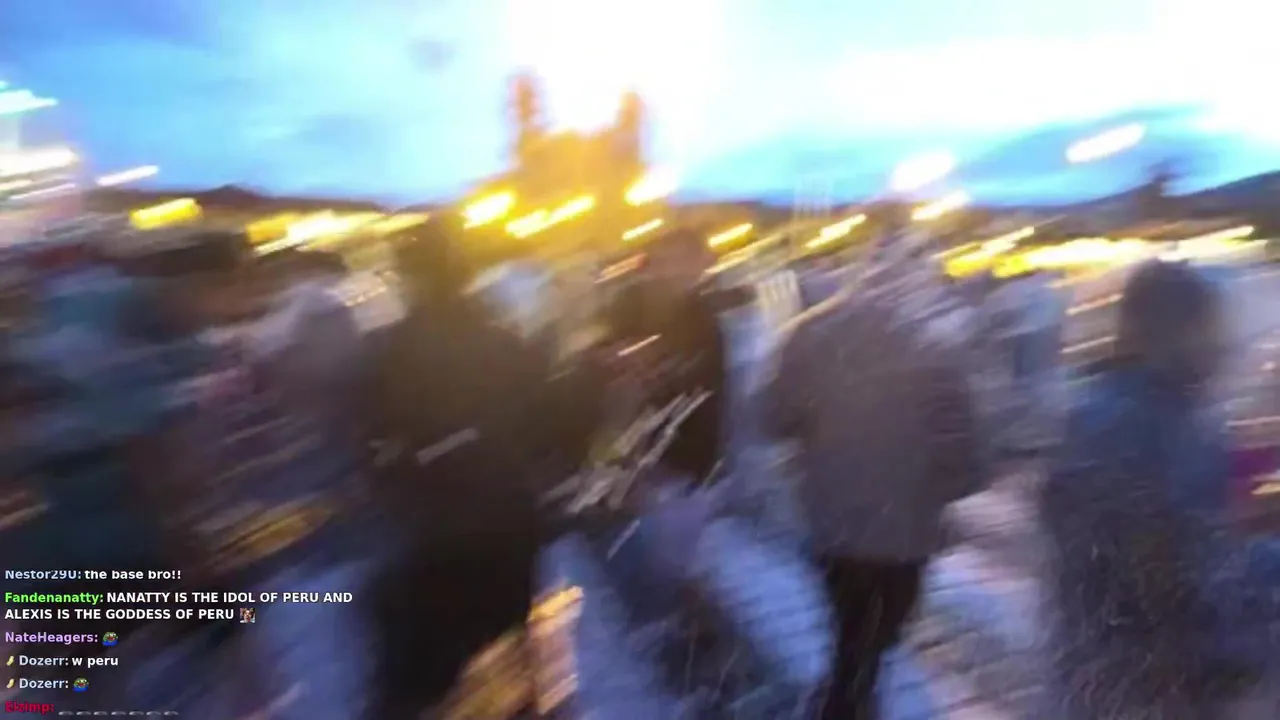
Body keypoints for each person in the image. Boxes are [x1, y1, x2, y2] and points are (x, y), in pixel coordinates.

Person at [1039, 260, 1280, 719]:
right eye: (1211, 328)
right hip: (1155, 686)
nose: (1223, 345)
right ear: (1178, 332)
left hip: (1097, 676)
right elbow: (1197, 577)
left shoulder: (1094, 413)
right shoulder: (1165, 432)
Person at [762, 246, 985, 719]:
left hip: (833, 518)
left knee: (849, 624)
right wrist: (952, 485)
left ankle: (848, 692)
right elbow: (964, 446)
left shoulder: (808, 333)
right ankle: (848, 697)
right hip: (907, 526)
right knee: (879, 630)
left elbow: (773, 419)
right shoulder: (933, 343)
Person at [363, 218, 552, 719]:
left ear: (410, 277)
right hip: (509, 522)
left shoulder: (392, 349)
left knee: (425, 676)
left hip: (436, 532)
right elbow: (544, 426)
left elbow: (380, 442)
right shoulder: (506, 341)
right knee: (507, 660)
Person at [602, 226, 729, 484]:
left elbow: (712, 383)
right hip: (648, 454)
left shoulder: (702, 312)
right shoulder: (630, 305)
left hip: (684, 452)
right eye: (667, 261)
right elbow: (608, 359)